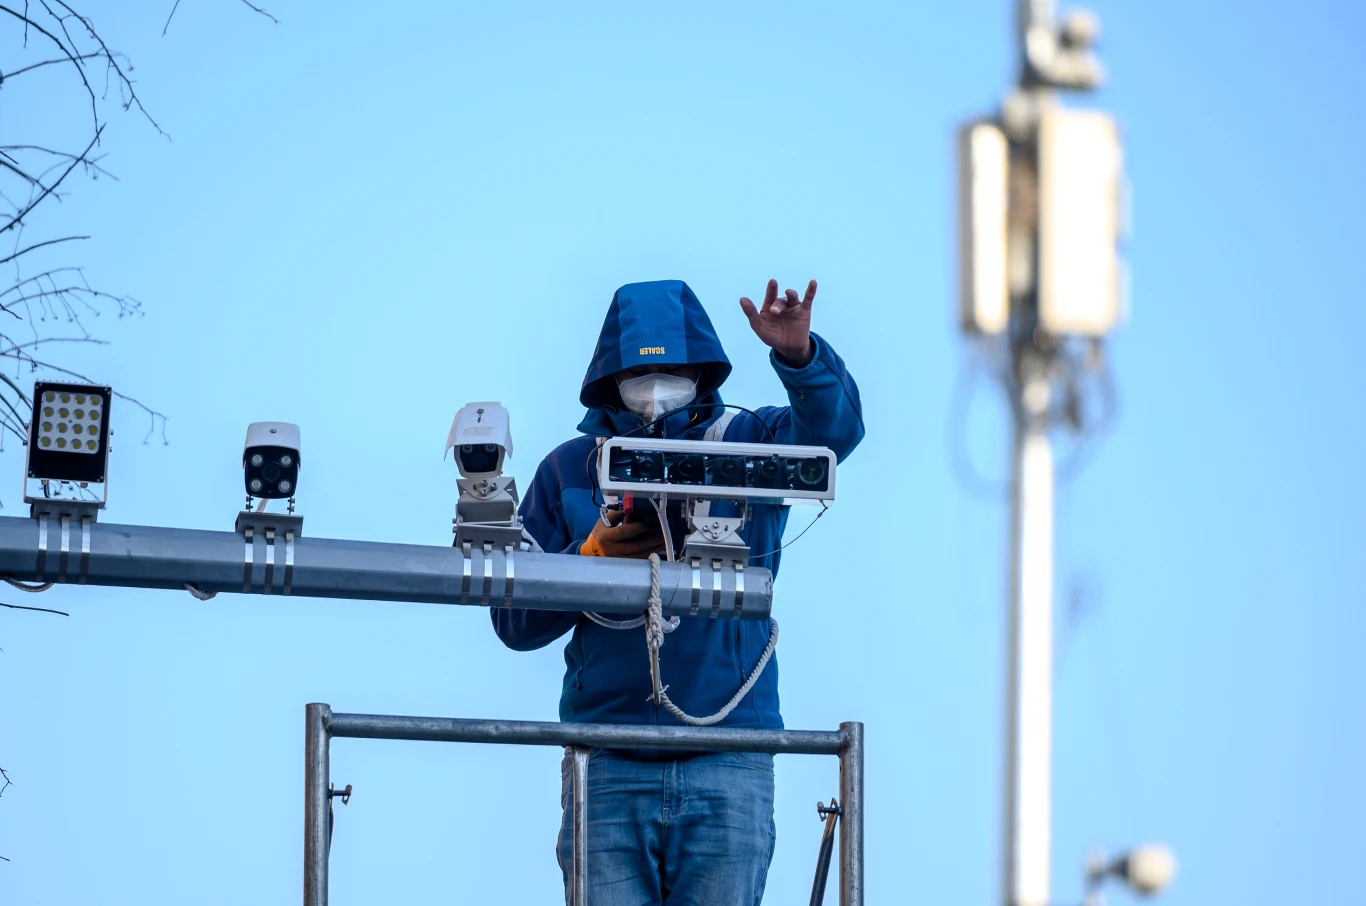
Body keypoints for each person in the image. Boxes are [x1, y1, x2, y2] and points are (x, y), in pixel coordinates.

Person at [492, 278, 864, 905]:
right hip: (606, 761)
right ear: (610, 378)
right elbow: (514, 621)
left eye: (672, 371)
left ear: (701, 371)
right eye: (636, 373)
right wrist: (588, 562)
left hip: (730, 755)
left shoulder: (748, 445)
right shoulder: (568, 469)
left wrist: (800, 358)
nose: (655, 387)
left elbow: (833, 436)